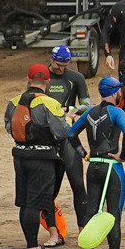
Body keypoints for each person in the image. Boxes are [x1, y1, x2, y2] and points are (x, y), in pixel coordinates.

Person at [7, 64, 71, 249]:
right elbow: (62, 133)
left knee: (25, 203)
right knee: (35, 202)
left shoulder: (13, 102)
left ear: (28, 80)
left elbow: (9, 128)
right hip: (42, 158)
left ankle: (30, 245)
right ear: (48, 82)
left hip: (20, 156)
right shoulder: (50, 103)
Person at [75, 76, 125, 249]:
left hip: (93, 168)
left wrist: (85, 155)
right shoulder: (117, 111)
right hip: (112, 167)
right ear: (116, 92)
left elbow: (69, 135)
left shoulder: (90, 112)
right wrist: (122, 155)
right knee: (114, 213)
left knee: (91, 212)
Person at [41, 44, 91, 235]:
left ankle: (83, 230)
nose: (62, 69)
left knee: (78, 183)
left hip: (68, 133)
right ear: (51, 60)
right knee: (49, 187)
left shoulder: (75, 77)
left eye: (65, 65)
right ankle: (53, 232)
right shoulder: (42, 75)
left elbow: (87, 102)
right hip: (47, 136)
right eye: (58, 65)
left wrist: (75, 110)